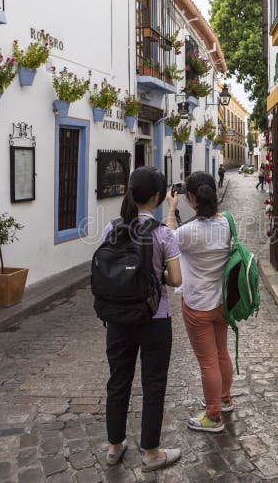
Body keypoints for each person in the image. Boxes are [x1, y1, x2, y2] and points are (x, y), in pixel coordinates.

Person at [100, 167, 183, 472]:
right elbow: (175, 279)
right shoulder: (163, 233)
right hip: (155, 318)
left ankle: (114, 445)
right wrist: (154, 273)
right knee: (153, 383)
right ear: (159, 197)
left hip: (118, 319)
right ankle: (150, 452)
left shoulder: (112, 229)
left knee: (118, 380)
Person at [165, 171, 233, 432]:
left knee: (208, 362)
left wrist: (171, 209)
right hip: (223, 304)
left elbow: (167, 241)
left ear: (190, 197)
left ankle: (213, 416)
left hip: (198, 306)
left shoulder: (189, 231)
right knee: (222, 353)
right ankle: (225, 399)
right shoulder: (227, 223)